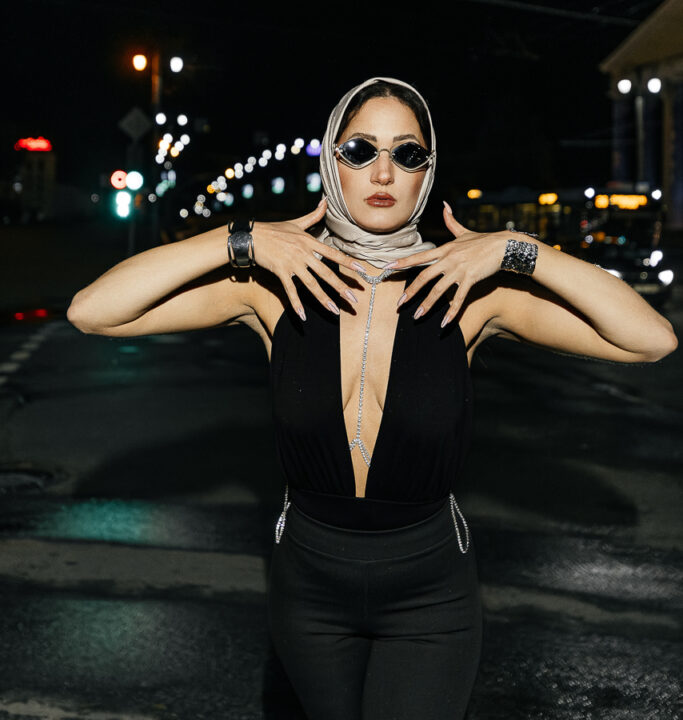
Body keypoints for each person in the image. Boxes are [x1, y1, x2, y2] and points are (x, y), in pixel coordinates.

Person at [67, 76, 678, 720]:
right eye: (359, 151)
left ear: (427, 172)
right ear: (331, 163)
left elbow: (650, 340)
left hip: (431, 595)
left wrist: (513, 249)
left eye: (407, 154)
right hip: (308, 593)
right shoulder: (269, 288)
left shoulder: (472, 292)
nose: (383, 172)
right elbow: (93, 311)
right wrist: (241, 239)